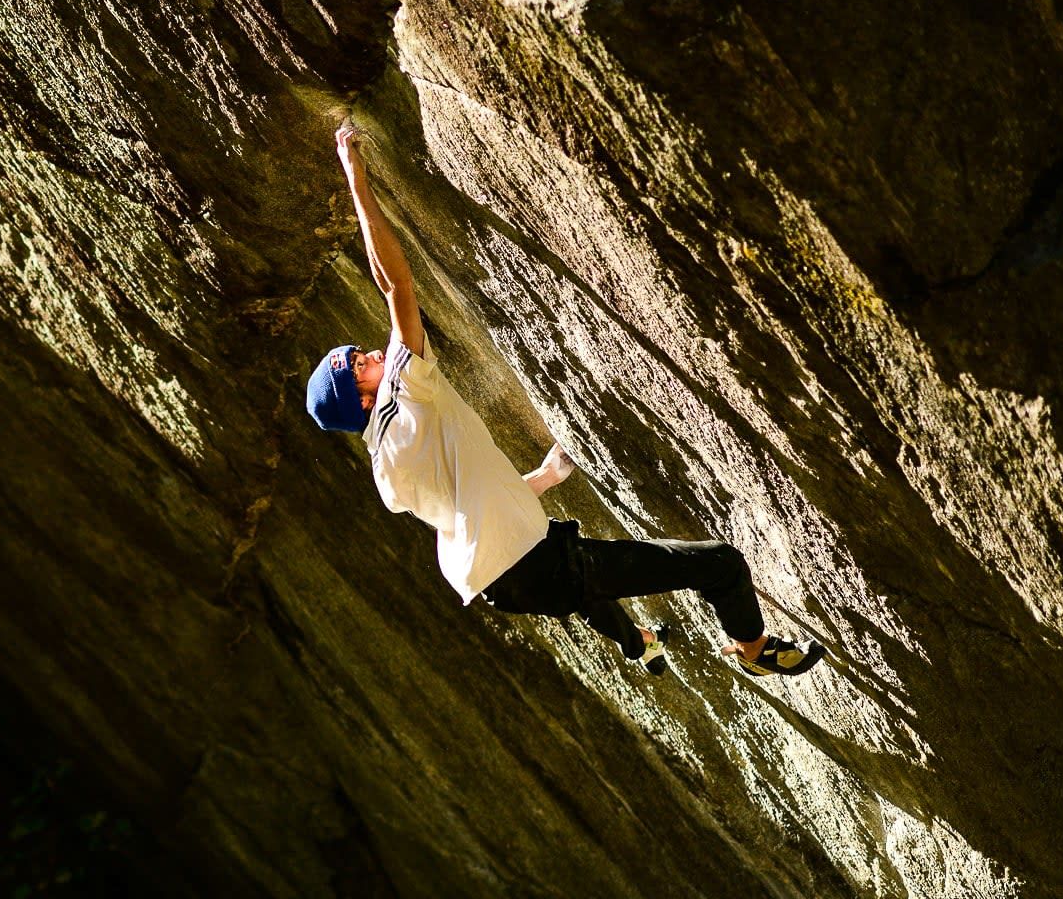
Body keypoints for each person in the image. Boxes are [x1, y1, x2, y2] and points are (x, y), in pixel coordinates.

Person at [306, 123, 823, 678]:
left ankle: (640, 642)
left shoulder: (385, 468)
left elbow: (465, 508)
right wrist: (355, 177)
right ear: (363, 401)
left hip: (498, 583)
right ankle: (754, 651)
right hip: (530, 565)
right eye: (360, 364)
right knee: (719, 564)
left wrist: (545, 479)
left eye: (362, 353)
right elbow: (395, 285)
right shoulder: (403, 392)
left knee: (574, 576)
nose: (372, 356)